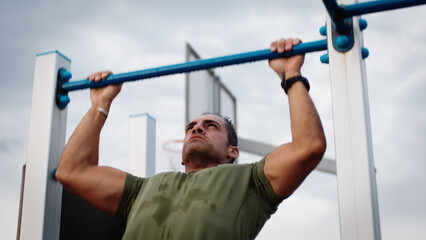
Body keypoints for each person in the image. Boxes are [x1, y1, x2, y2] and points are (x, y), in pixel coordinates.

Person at [55, 38, 326, 239]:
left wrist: (290, 73)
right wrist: (100, 104)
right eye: (191, 127)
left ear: (232, 151)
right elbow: (72, 171)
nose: (197, 129)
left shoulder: (252, 183)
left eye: (210, 126)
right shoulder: (141, 190)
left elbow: (308, 147)